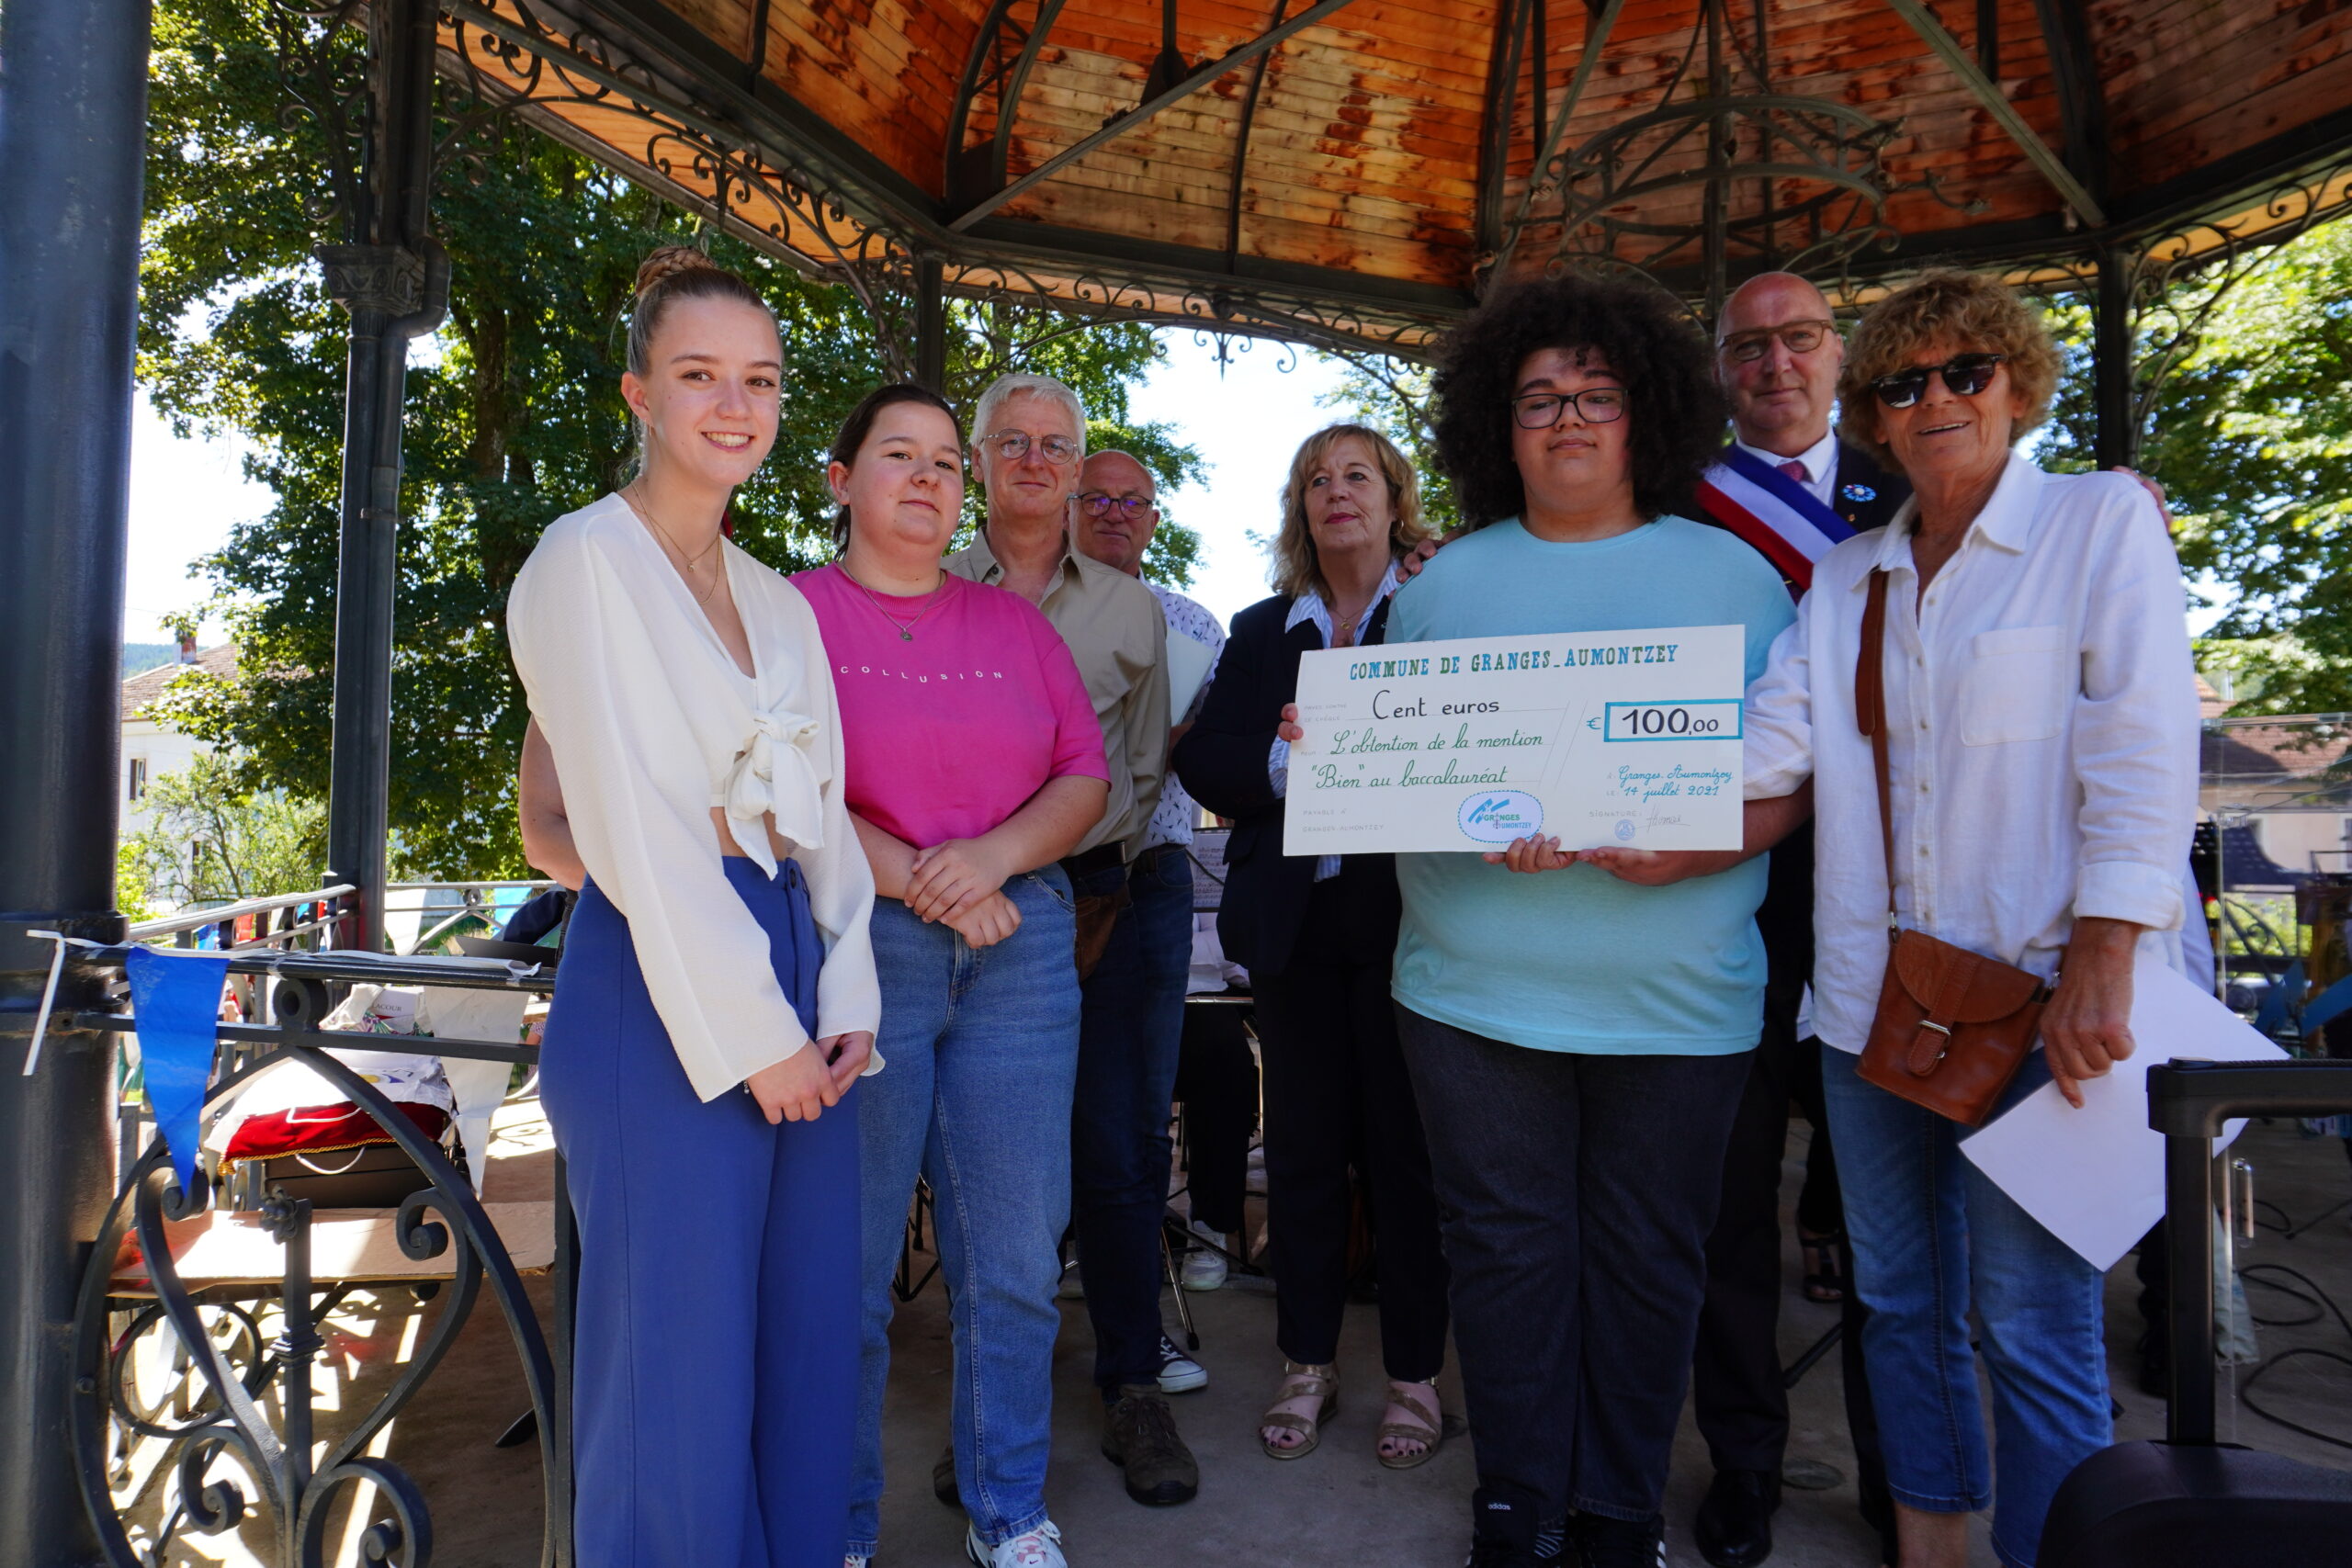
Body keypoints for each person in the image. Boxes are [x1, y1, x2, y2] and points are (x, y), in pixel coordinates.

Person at [1320, 276, 1806, 1568]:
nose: (1569, 418)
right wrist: (1333, 749)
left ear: (1648, 411)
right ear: (1500, 422)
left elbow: (1789, 779)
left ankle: (1619, 1511)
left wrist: (1693, 846)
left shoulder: (1738, 577)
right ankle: (1518, 1501)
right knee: (1503, 1253)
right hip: (1471, 992)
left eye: (1596, 394)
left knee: (1651, 1260)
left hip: (1676, 995)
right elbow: (1394, 767)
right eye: (1539, 399)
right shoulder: (1443, 584)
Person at [1736, 270, 2199, 1568]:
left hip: (2048, 998)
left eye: (1965, 371)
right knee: (1899, 1300)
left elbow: (2143, 743)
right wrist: (1571, 781)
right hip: (1871, 1000)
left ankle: (2057, 1551)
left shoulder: (2098, 522)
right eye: (1903, 382)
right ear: (1874, 415)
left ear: (2016, 383)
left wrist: (2107, 949)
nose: (1934, 397)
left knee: (2035, 1321)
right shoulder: (1847, 577)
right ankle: (1932, 1543)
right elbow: (1763, 751)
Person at [504, 245, 879, 1568]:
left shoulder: (779, 599)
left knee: (802, 1345)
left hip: (788, 955)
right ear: (640, 393)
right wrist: (754, 1029)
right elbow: (629, 828)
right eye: (700, 374)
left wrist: (846, 993)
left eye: (760, 379)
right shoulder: (583, 561)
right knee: (677, 1368)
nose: (735, 404)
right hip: (658, 967)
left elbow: (823, 815)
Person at [795, 384, 1111, 1568]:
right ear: (840, 482)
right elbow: (772, 789)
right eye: (899, 455)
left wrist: (989, 861)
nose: (928, 477)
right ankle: (837, 1526)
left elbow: (1085, 776)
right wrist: (927, 880)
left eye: (942, 460)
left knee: (1016, 1259)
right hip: (861, 946)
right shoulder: (787, 617)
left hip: (1018, 945)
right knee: (850, 1263)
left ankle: (1008, 1512)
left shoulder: (1014, 627)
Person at [1174, 423, 1455, 1472]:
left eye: (1357, 475)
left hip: (1408, 924)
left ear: (1394, 498)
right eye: (1316, 479)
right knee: (1298, 1152)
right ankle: (1307, 1361)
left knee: (1403, 1156)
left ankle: (1415, 1376)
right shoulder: (1262, 629)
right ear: (1300, 508)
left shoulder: (1434, 612)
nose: (1336, 492)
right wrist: (1293, 764)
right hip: (1292, 928)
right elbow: (1206, 759)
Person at [1687, 271, 1908, 1568]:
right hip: (1732, 886)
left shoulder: (1920, 477)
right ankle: (1746, 1461)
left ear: (1839, 352)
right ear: (1720, 368)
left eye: (1800, 339)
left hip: (1895, 891)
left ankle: (1903, 1471)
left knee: (1892, 1207)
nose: (1775, 364)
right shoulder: (1679, 502)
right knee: (1730, 1199)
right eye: (1747, 346)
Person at [942, 375, 1195, 1506]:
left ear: (1078, 465)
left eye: (1056, 444)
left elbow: (1136, 771)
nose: (1035, 460)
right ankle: (989, 1406)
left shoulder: (1132, 611)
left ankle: (1133, 1386)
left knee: (1120, 1154)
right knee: (989, 1169)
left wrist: (1079, 872)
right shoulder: (926, 584)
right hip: (954, 909)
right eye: (1013, 442)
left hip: (1107, 897)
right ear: (979, 461)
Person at [1069, 447, 1222, 1382]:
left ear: (1154, 520)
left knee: (1133, 1123)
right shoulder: (1013, 607)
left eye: (1134, 502)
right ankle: (1008, 1343)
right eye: (1097, 497)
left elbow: (1207, 757)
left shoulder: (1192, 623)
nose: (1115, 513)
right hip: (1032, 877)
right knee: (1018, 1117)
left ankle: (1132, 1342)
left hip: (1149, 877)